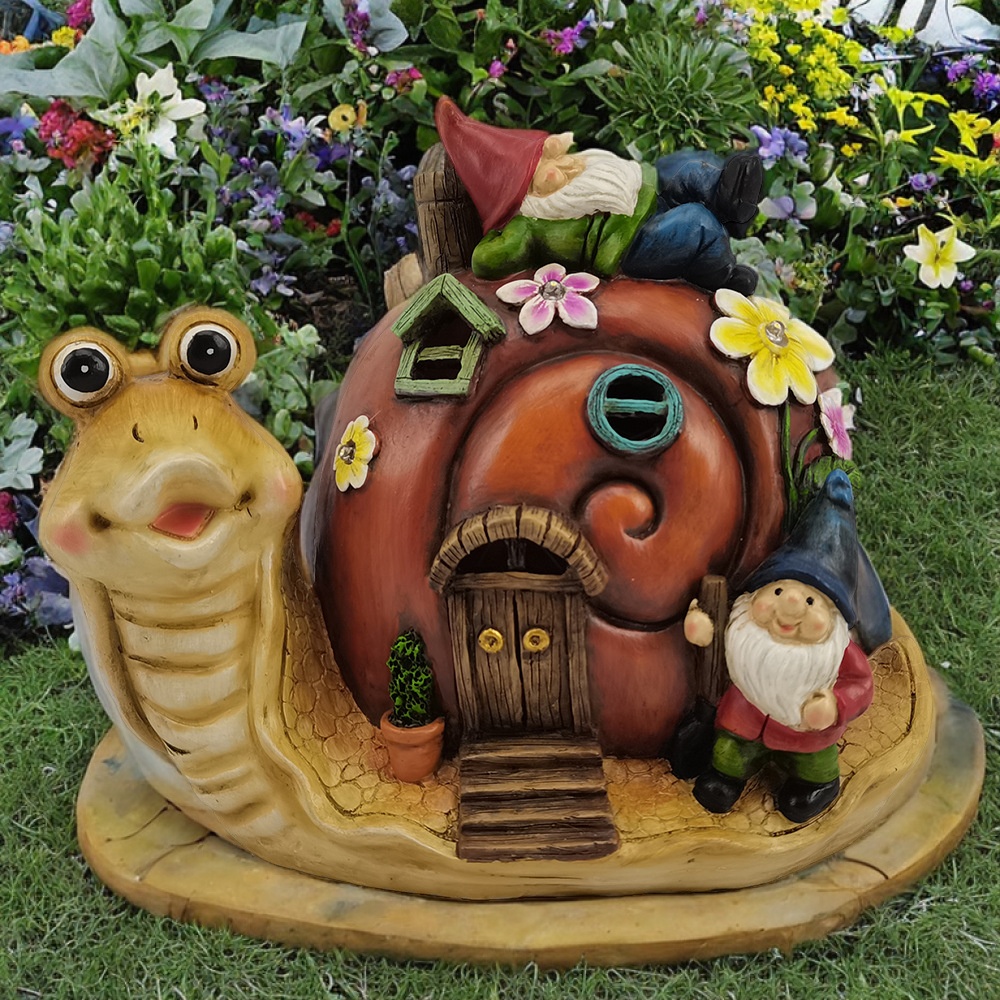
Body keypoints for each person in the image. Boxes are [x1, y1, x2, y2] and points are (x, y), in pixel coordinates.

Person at [683, 471, 876, 823]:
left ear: (834, 617)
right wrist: (704, 631)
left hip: (806, 735)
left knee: (815, 764)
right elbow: (723, 644)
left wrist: (836, 705)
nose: (789, 607)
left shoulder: (836, 652)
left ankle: (818, 785)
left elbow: (861, 684)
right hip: (745, 721)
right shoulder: (746, 629)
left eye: (811, 601)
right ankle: (725, 778)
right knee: (728, 752)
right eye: (776, 591)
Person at [434, 96, 762, 294]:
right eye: (550, 169)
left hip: (648, 201)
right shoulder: (528, 224)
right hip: (631, 245)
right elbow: (485, 260)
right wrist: (498, 221)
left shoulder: (578, 177)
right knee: (695, 222)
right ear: (522, 194)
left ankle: (730, 201)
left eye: (559, 156)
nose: (567, 164)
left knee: (688, 170)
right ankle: (722, 276)